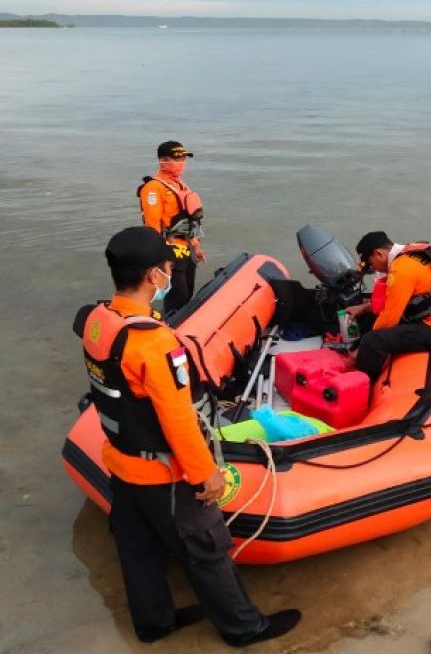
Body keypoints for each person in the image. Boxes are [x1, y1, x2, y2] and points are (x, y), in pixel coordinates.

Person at [74, 226, 300, 647]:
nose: (168, 276)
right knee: (207, 549)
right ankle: (244, 628)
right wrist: (205, 474)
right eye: (166, 269)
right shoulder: (154, 342)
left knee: (137, 548)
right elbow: (177, 417)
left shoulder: (96, 321)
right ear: (152, 276)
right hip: (163, 476)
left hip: (121, 462)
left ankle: (154, 623)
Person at [347, 231, 431, 382]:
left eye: (371, 264)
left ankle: (363, 385)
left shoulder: (401, 269)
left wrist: (361, 350)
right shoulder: (413, 253)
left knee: (372, 341)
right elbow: (394, 303)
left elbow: (388, 320)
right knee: (374, 321)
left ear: (378, 254)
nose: (375, 270)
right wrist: (364, 308)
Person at [138, 140, 205, 315]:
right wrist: (158, 258)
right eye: (177, 159)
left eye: (183, 159)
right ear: (163, 161)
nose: (181, 163)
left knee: (187, 291)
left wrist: (196, 245)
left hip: (186, 248)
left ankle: (178, 323)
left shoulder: (180, 186)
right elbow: (152, 226)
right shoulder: (153, 188)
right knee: (178, 294)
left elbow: (187, 220)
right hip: (170, 250)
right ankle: (171, 326)